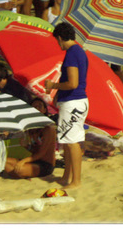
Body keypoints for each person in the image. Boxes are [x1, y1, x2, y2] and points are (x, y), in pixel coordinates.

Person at [44, 22, 89, 189]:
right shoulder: (79, 52)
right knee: (69, 141)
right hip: (75, 101)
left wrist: (53, 86)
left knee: (72, 142)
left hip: (73, 102)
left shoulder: (72, 53)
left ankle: (76, 180)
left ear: (60, 38)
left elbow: (72, 83)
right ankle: (66, 177)